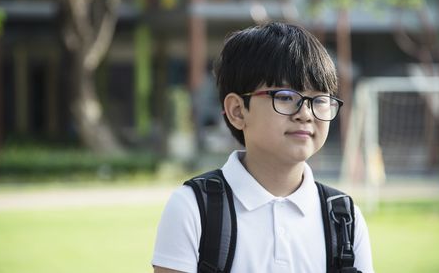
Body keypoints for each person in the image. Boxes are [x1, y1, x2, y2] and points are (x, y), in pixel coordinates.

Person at [152, 22, 374, 273]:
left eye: (320, 99)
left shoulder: (344, 219)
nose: (306, 114)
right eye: (285, 97)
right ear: (237, 111)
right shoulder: (194, 208)